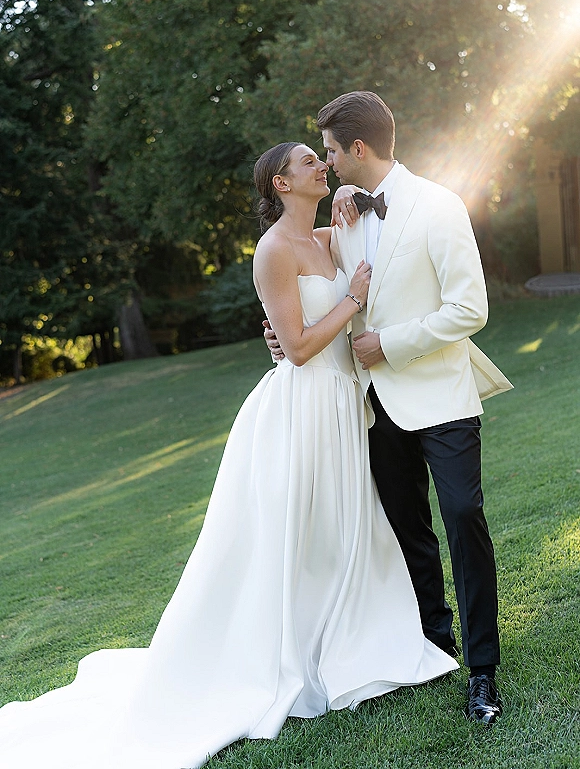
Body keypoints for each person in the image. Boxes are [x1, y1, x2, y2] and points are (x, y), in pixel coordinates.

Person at [0, 142, 457, 769]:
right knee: (295, 539)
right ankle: (289, 660)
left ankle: (355, 647)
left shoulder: (329, 236)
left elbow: (355, 224)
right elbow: (294, 347)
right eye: (308, 162)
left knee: (346, 532)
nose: (321, 167)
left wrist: (350, 199)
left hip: (345, 408)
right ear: (279, 181)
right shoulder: (271, 251)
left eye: (321, 159)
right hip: (301, 413)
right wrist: (351, 300)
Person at [265, 94, 512, 725]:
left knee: (462, 515)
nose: (324, 162)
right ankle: (435, 642)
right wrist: (282, 336)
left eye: (327, 151)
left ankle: (482, 670)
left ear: (356, 150)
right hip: (369, 407)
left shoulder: (440, 205)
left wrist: (389, 345)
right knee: (406, 530)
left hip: (439, 393)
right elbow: (312, 285)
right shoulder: (342, 218)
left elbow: (469, 310)